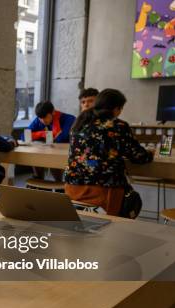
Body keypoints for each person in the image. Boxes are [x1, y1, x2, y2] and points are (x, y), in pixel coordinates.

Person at [64, 89, 153, 217]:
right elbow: (139, 156)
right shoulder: (119, 125)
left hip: (72, 187)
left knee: (83, 220)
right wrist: (150, 153)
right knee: (131, 203)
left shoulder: (79, 122)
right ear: (116, 108)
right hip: (105, 190)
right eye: (121, 109)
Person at [26, 101, 76, 181]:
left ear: (53, 112)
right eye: (40, 118)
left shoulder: (69, 119)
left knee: (53, 160)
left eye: (45, 117)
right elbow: (25, 136)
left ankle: (58, 185)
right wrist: (41, 134)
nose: (43, 121)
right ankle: (39, 183)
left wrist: (37, 135)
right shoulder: (40, 119)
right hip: (46, 153)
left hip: (64, 156)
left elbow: (62, 138)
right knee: (35, 155)